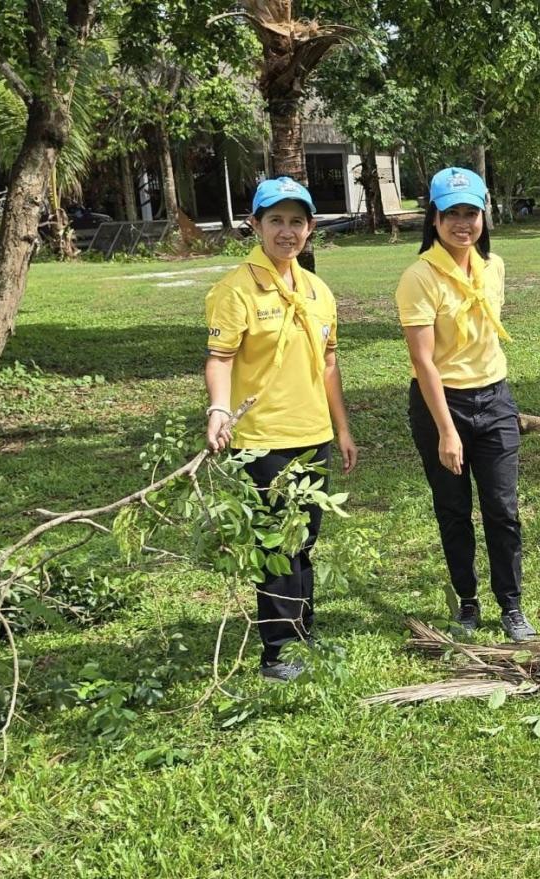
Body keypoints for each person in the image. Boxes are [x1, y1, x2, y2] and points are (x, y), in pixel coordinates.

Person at [204, 176, 358, 681]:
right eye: (276, 221)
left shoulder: (317, 291)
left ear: (310, 228)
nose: (287, 232)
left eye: (297, 221)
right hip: (262, 440)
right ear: (255, 225)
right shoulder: (235, 291)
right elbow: (220, 358)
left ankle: (301, 631)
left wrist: (342, 429)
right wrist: (219, 410)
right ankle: (278, 652)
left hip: (312, 434)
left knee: (304, 539)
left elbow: (328, 363)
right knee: (276, 544)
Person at [395, 167, 535, 641]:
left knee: (502, 507)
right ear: (433, 218)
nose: (463, 222)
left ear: (483, 215)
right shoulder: (418, 278)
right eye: (451, 213)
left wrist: (496, 397)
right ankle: (467, 601)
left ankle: (511, 605)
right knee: (453, 509)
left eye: (471, 212)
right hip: (442, 406)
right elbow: (424, 361)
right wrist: (448, 431)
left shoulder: (493, 266)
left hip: (495, 398)